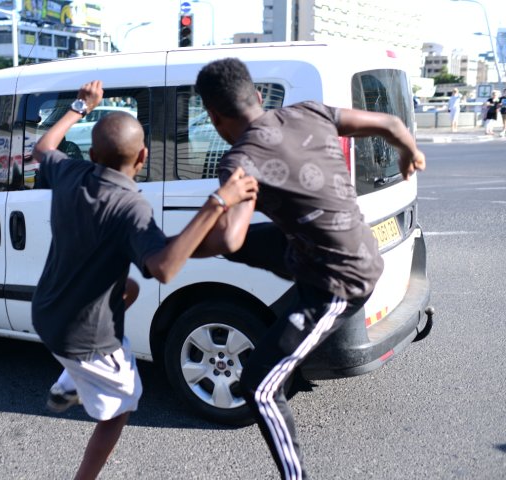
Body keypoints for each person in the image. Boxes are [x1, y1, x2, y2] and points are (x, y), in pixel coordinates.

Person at [193, 58, 426, 480]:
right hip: (331, 248)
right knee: (255, 241)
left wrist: (182, 247)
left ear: (213, 117)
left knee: (259, 387)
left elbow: (229, 238)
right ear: (260, 98)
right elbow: (391, 124)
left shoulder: (240, 160)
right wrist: (410, 153)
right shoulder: (310, 112)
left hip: (341, 283)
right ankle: (295, 270)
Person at [31, 80, 258, 480]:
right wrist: (219, 201)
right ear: (143, 157)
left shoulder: (70, 173)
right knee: (123, 407)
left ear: (92, 153)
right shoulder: (131, 206)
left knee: (129, 289)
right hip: (83, 336)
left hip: (46, 311)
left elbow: (43, 148)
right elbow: (165, 267)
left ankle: (70, 378)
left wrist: (80, 107)